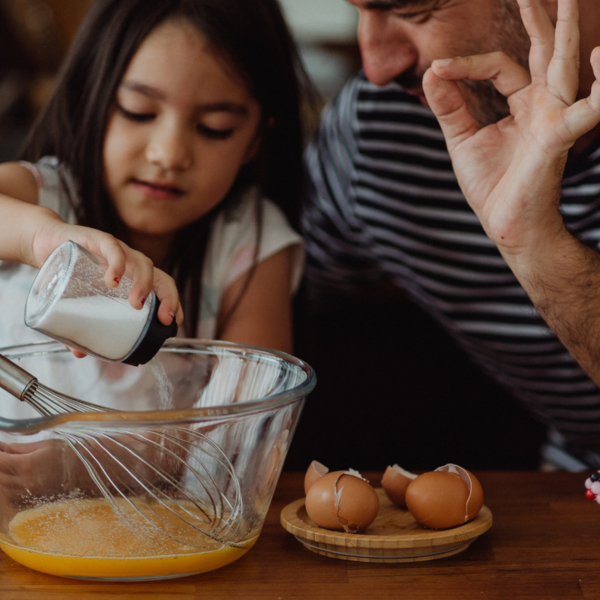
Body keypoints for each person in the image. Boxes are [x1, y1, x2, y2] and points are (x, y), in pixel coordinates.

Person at [302, 0, 600, 470]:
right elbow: (268, 293)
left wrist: (538, 246)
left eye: (414, 12)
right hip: (566, 484)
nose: (377, 67)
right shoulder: (385, 121)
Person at [0, 0, 311, 420]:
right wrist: (38, 238)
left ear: (255, 139)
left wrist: (77, 465)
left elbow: (242, 425)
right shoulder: (42, 194)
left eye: (214, 128)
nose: (168, 154)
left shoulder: (250, 243)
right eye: (138, 111)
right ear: (89, 98)